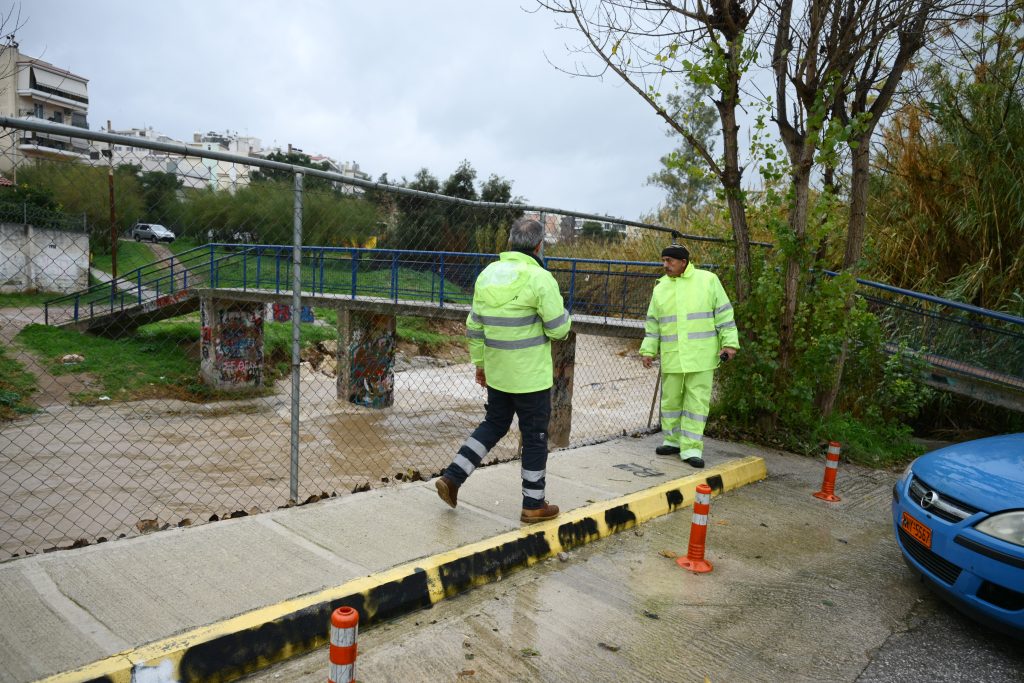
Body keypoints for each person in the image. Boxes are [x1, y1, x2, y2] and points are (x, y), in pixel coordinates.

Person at [435, 218, 572, 523]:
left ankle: (453, 477)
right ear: (539, 246)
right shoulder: (540, 278)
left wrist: (481, 364)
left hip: (498, 373)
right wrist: (564, 313)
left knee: (494, 425)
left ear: (510, 242)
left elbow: (474, 326)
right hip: (530, 378)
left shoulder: (487, 275)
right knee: (535, 435)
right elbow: (558, 330)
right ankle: (534, 504)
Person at [640, 244, 739, 468]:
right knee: (671, 401)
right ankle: (673, 440)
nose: (665, 265)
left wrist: (730, 344)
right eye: (663, 260)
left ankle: (692, 448)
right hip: (673, 356)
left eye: (670, 261)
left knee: (697, 403)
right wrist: (648, 349)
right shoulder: (661, 288)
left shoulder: (708, 280)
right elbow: (654, 322)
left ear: (683, 262)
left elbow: (724, 314)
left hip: (702, 357)